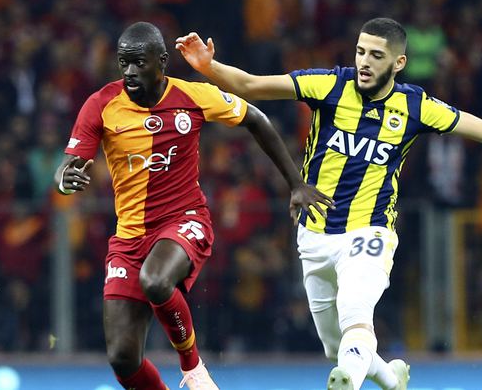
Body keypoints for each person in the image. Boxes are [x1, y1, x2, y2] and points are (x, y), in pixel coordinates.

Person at [175, 17, 482, 390]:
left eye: (376, 56)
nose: (364, 62)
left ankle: (346, 380)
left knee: (356, 315)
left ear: (398, 63)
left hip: (371, 232)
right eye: (361, 51)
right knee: (335, 346)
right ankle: (389, 378)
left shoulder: (415, 106)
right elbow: (251, 85)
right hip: (315, 235)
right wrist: (209, 66)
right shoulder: (330, 84)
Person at [54, 22, 332, 390]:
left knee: (155, 280)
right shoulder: (101, 104)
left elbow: (256, 119)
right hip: (129, 236)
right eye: (124, 63)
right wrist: (64, 178)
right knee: (123, 358)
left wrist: (295, 183)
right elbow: (69, 164)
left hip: (184, 221)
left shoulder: (193, 96)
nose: (130, 72)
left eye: (139, 63)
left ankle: (193, 368)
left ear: (162, 61)